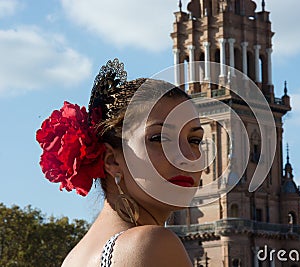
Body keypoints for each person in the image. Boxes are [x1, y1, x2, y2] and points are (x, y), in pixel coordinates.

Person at [36, 58, 204, 266]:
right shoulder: (152, 244)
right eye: (159, 138)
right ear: (112, 159)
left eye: (194, 140)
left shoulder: (73, 258)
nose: (187, 156)